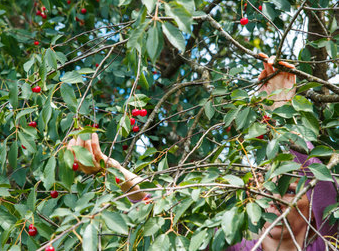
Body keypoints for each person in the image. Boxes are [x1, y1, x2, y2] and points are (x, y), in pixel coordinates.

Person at [67, 55, 339, 250]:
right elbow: (162, 207)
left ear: (313, 211)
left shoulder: (325, 241)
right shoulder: (232, 243)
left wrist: (284, 113)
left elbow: (323, 186)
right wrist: (109, 167)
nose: (274, 198)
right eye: (264, 189)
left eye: (291, 190)